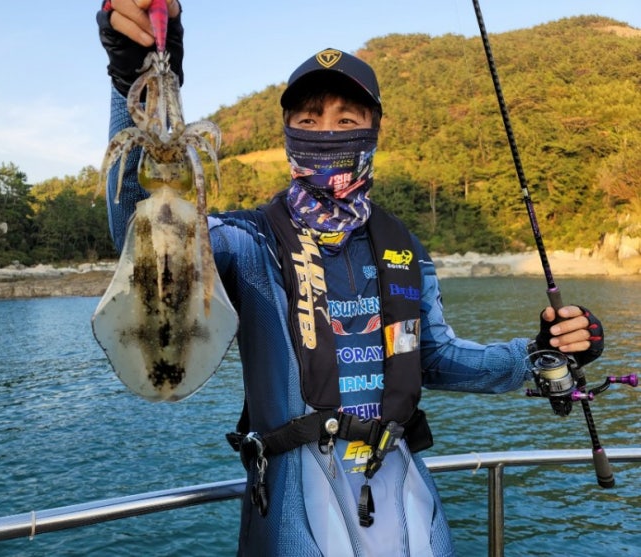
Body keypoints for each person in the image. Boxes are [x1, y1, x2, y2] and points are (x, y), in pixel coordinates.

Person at [97, 2, 605, 555]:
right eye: (308, 120)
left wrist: (538, 353)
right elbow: (148, 238)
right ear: (288, 132)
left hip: (403, 486)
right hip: (294, 504)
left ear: (373, 130)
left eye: (346, 120)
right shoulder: (247, 241)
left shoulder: (403, 248)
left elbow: (434, 357)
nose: (326, 132)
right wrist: (138, 79)